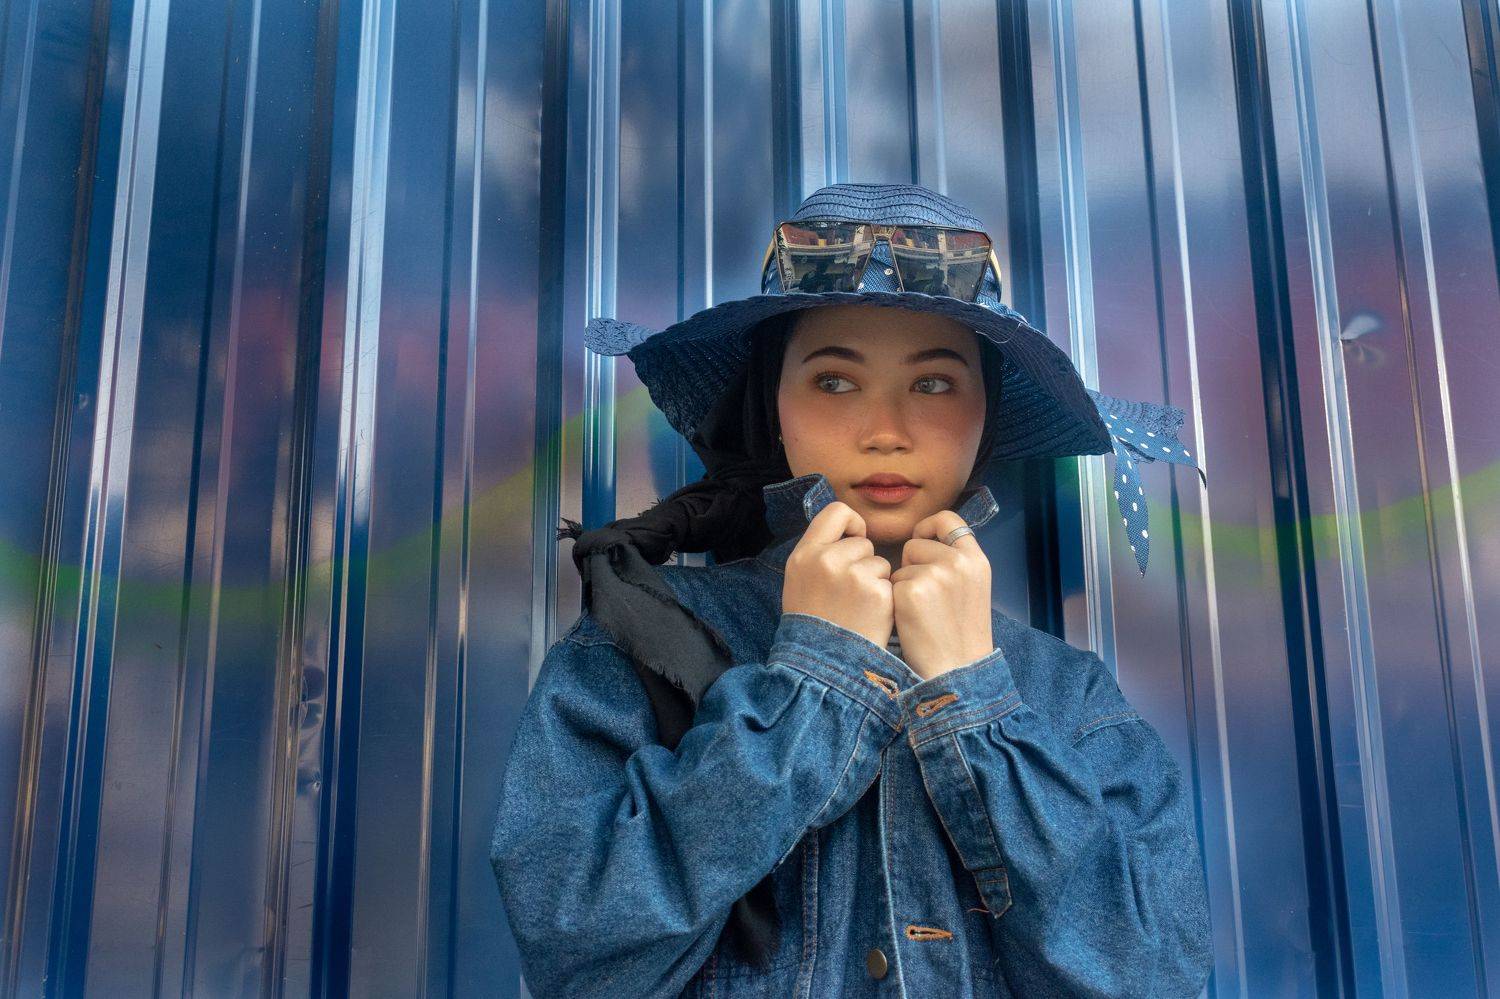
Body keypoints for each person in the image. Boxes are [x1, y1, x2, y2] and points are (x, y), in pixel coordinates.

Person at [490, 182, 1214, 997]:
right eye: (835, 381)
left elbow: (1157, 978)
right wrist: (813, 682)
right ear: (774, 403)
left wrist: (975, 702)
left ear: (988, 411)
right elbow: (577, 958)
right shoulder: (639, 646)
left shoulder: (1069, 695)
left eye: (934, 384)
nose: (885, 430)